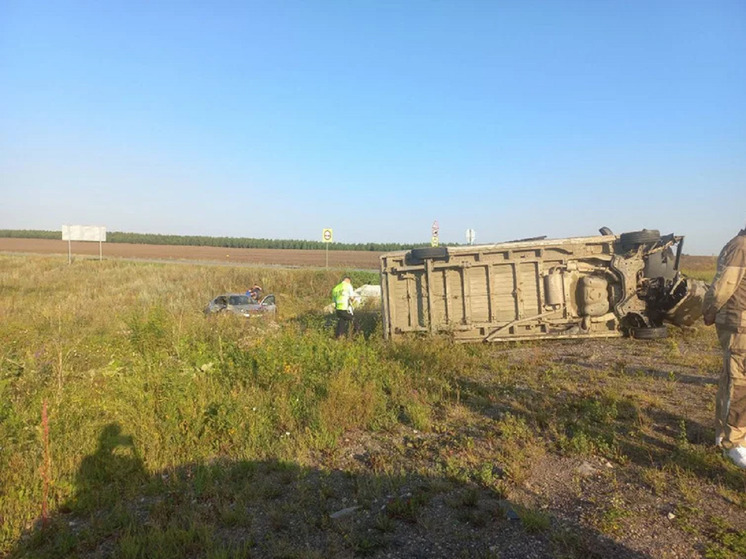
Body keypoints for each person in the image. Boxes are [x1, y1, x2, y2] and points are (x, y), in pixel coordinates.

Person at [703, 224, 746, 469]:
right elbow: (723, 286)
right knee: (739, 384)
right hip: (739, 325)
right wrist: (709, 311)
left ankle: (725, 433)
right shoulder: (741, 247)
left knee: (732, 378)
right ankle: (734, 443)